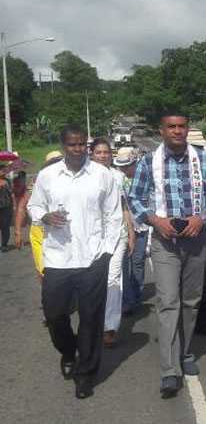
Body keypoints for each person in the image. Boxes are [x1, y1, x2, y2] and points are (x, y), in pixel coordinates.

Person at [128, 110, 206, 399]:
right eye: (171, 127)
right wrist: (156, 221)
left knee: (191, 301)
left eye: (181, 126)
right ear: (162, 130)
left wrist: (201, 217)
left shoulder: (203, 160)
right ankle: (170, 370)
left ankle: (187, 351)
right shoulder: (148, 162)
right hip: (164, 241)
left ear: (187, 129)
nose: (177, 131)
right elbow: (134, 198)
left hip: (196, 238)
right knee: (168, 302)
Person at [27, 126, 123, 399]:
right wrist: (44, 217)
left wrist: (106, 253)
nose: (78, 149)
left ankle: (85, 374)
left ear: (87, 146)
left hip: (93, 258)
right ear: (63, 145)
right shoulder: (47, 176)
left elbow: (113, 216)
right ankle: (68, 351)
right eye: (72, 144)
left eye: (82, 144)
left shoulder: (102, 175)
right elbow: (34, 207)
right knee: (55, 316)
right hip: (57, 258)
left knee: (91, 319)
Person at [90, 137, 135, 347]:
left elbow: (125, 207)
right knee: (92, 280)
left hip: (118, 235)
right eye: (98, 152)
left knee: (113, 279)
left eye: (106, 152)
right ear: (91, 155)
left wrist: (131, 233)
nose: (103, 156)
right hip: (91, 238)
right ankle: (92, 321)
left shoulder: (118, 177)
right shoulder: (84, 176)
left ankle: (109, 327)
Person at [14, 151, 63, 279]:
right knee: (45, 272)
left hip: (62, 231)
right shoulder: (36, 181)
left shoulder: (70, 179)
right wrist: (18, 232)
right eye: (53, 162)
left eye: (59, 162)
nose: (56, 165)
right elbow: (22, 207)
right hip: (39, 230)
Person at [114, 147, 148, 316]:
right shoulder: (117, 179)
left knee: (138, 262)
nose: (124, 169)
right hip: (123, 226)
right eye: (122, 166)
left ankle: (135, 295)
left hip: (141, 226)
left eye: (127, 165)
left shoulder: (144, 179)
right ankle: (126, 299)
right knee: (123, 264)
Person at [0, 163, 13, 252]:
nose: (4, 173)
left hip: (7, 206)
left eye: (5, 171)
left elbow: (11, 193)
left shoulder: (8, 181)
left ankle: (4, 245)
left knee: (5, 226)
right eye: (2, 171)